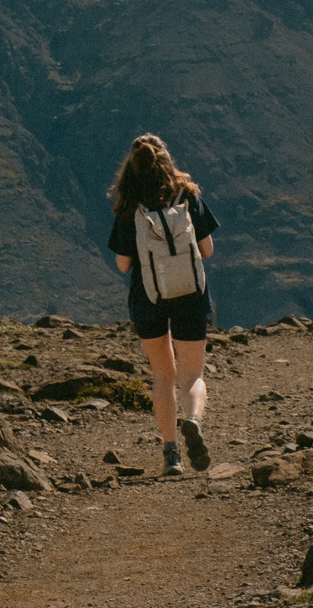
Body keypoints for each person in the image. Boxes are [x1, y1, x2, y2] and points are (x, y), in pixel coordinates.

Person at [106, 132, 220, 475]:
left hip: (147, 298)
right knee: (192, 375)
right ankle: (194, 420)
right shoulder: (188, 196)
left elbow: (124, 264)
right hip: (190, 293)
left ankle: (171, 454)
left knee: (162, 374)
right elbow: (207, 250)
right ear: (166, 161)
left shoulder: (129, 205)